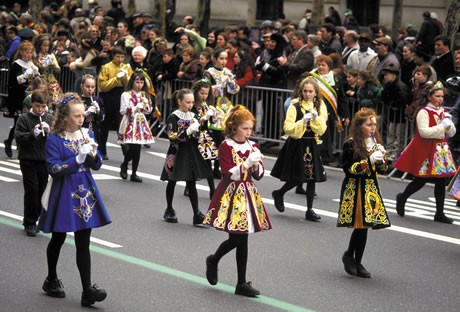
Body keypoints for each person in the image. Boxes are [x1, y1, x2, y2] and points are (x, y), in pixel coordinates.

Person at [37, 93, 111, 307]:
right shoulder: (54, 138)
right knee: (58, 237)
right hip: (63, 190)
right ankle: (51, 278)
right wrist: (77, 158)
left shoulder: (86, 133)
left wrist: (94, 154)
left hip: (84, 190)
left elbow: (96, 166)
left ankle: (87, 289)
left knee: (83, 240)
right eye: (77, 116)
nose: (81, 119)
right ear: (65, 117)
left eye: (82, 115)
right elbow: (53, 167)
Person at [203, 105, 271, 297]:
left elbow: (258, 176)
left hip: (248, 193)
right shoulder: (226, 146)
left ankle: (240, 282)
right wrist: (246, 163)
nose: (249, 132)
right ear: (234, 128)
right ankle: (215, 260)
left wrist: (256, 164)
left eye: (250, 129)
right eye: (245, 128)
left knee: (243, 238)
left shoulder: (253, 145)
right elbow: (226, 174)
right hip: (231, 193)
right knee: (237, 238)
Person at [337, 108, 391, 278]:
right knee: (360, 225)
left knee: (365, 227)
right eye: (369, 124)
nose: (373, 127)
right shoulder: (350, 144)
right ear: (359, 126)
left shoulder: (374, 143)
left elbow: (383, 169)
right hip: (355, 188)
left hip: (370, 188)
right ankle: (351, 257)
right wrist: (369, 161)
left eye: (374, 124)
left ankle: (355, 259)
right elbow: (349, 169)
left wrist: (382, 158)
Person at [395, 82, 456, 224]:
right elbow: (423, 132)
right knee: (421, 179)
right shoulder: (424, 112)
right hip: (426, 149)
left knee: (441, 181)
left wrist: (449, 125)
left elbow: (451, 133)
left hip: (440, 150)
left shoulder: (444, 113)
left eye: (442, 96)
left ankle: (439, 213)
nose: (440, 99)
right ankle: (402, 197)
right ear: (430, 96)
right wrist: (442, 126)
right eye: (437, 96)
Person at [271, 77, 327, 221]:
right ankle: (279, 193)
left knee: (312, 178)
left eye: (311, 91)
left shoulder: (320, 105)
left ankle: (309, 210)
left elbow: (322, 129)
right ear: (301, 91)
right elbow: (288, 128)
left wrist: (315, 118)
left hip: (311, 143)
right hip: (297, 143)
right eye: (305, 91)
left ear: (315, 92)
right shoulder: (294, 105)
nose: (308, 94)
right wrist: (302, 121)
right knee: (298, 177)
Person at [160, 88, 212, 224]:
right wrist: (187, 132)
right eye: (188, 102)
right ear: (179, 101)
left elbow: (199, 134)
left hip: (190, 151)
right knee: (172, 180)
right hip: (177, 152)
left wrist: (203, 121)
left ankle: (197, 213)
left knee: (191, 182)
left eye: (192, 102)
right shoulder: (174, 116)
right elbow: (172, 136)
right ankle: (169, 209)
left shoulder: (193, 116)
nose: (190, 105)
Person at [14, 89, 54, 237]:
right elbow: (18, 137)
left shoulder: (49, 118)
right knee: (32, 190)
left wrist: (49, 132)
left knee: (42, 190)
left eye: (43, 106)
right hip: (28, 159)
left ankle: (37, 218)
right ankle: (29, 222)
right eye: (38, 106)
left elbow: (56, 138)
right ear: (32, 104)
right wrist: (33, 134)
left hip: (43, 160)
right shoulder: (24, 118)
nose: (40, 110)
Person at [4, 41, 40, 158]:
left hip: (29, 96)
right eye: (26, 52)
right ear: (21, 52)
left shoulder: (31, 64)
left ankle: (24, 147)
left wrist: (37, 73)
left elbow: (36, 80)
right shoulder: (16, 64)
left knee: (30, 121)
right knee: (18, 122)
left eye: (30, 53)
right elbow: (19, 80)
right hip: (17, 97)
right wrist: (28, 73)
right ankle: (9, 141)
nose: (29, 55)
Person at [118, 72, 155, 183]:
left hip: (140, 123)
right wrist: (135, 107)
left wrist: (146, 105)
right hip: (129, 122)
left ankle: (134, 173)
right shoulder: (126, 95)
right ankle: (125, 164)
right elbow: (123, 110)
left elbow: (149, 111)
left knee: (137, 148)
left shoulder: (145, 95)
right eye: (137, 82)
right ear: (132, 82)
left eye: (141, 82)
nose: (139, 84)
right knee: (131, 147)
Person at [97, 47, 132, 160]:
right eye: (118, 56)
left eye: (122, 57)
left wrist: (125, 77)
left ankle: (126, 151)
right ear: (113, 56)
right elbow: (102, 86)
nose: (120, 59)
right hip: (107, 97)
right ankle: (102, 151)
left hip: (120, 97)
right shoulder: (106, 67)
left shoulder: (126, 68)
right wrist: (116, 79)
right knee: (104, 125)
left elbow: (129, 86)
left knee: (120, 124)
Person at [190, 79, 217, 198]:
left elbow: (211, 121)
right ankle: (189, 187)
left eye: (206, 93)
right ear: (196, 92)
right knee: (192, 163)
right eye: (202, 93)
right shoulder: (192, 105)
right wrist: (203, 116)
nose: (204, 96)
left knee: (208, 162)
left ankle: (212, 189)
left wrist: (212, 115)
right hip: (193, 136)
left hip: (204, 136)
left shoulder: (206, 105)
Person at [80, 74, 104, 145]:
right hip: (80, 131)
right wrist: (85, 113)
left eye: (92, 87)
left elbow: (101, 118)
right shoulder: (77, 100)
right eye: (87, 86)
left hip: (94, 130)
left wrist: (98, 110)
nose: (90, 89)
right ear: (82, 86)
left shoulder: (97, 100)